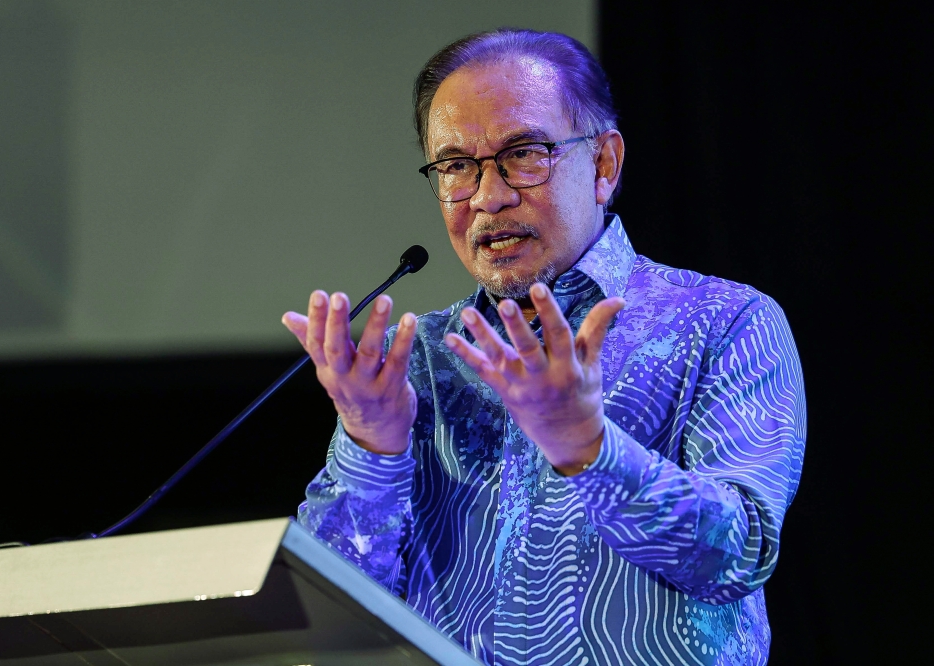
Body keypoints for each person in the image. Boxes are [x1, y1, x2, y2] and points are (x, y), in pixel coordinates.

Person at [282, 28, 804, 666]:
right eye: (455, 166)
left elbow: (735, 558)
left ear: (605, 165)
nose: (488, 196)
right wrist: (372, 447)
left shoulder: (724, 323)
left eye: (524, 153)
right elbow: (327, 623)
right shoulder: (412, 363)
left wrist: (589, 448)